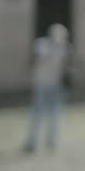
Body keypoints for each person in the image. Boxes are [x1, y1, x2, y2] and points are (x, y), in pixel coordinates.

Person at [23, 23, 71, 153]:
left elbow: (65, 67)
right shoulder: (41, 45)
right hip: (42, 84)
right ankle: (32, 142)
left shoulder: (63, 47)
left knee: (55, 115)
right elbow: (34, 60)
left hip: (55, 85)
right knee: (37, 114)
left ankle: (51, 142)